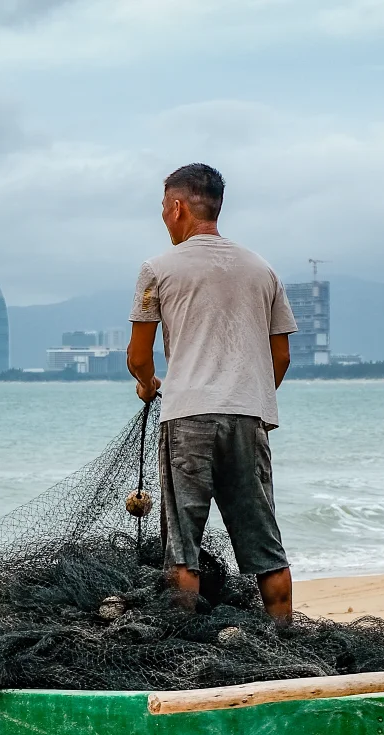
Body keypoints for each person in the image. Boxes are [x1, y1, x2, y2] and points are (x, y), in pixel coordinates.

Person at [125, 162, 300, 623]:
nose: (164, 218)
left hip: (187, 418)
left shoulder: (157, 270)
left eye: (165, 208)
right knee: (265, 545)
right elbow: (279, 358)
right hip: (249, 417)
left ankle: (181, 645)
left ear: (178, 207)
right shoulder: (263, 270)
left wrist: (147, 386)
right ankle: (283, 638)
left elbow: (139, 357)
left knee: (183, 549)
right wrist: (247, 394)